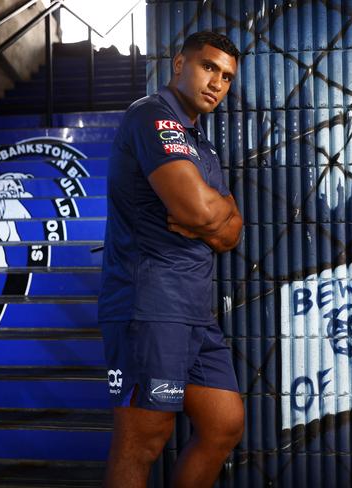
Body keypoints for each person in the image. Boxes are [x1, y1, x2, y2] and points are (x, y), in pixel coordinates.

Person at [98, 31, 244, 487]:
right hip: (152, 305)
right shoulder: (152, 117)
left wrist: (216, 217)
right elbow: (200, 211)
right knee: (142, 440)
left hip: (194, 310)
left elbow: (232, 231)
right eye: (208, 67)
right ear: (179, 63)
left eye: (226, 76)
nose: (217, 83)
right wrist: (212, 214)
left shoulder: (199, 141)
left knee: (224, 423)